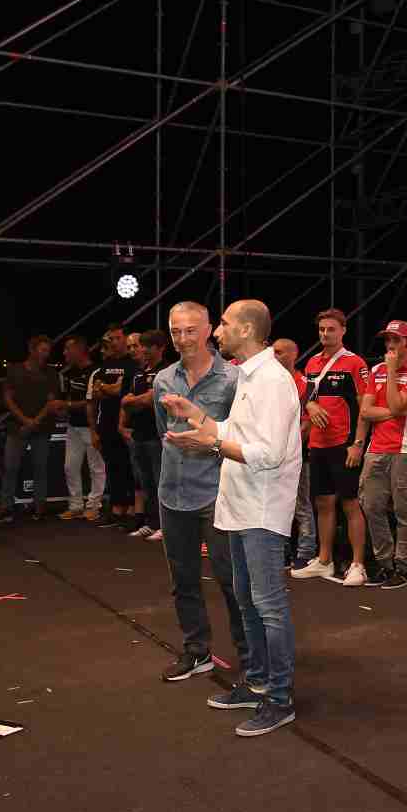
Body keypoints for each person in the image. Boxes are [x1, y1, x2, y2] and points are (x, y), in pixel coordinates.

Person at [162, 299, 303, 738]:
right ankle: (258, 682)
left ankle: (279, 698)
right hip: (240, 507)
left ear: (245, 329)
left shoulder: (272, 381)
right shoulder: (249, 376)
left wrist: (207, 444)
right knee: (248, 602)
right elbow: (233, 432)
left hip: (261, 510)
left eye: (223, 323)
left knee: (269, 607)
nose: (217, 332)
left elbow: (268, 454)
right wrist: (195, 416)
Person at [153, 301, 249, 683]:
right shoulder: (163, 379)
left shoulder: (233, 379)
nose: (183, 338)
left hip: (216, 494)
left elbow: (239, 437)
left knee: (231, 581)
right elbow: (163, 431)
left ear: (208, 330)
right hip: (172, 493)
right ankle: (197, 651)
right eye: (176, 331)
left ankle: (251, 660)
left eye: (191, 330)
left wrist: (208, 445)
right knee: (183, 581)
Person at [291, 308, 372, 585]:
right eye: (322, 329)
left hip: (344, 444)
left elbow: (365, 408)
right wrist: (311, 405)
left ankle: (358, 564)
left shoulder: (355, 363)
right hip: (318, 444)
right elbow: (308, 398)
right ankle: (324, 561)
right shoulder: (313, 362)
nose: (325, 334)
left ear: (343, 331)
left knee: (350, 503)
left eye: (331, 329)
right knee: (323, 502)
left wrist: (357, 444)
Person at [358, 320, 407, 592]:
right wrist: (397, 411)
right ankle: (385, 563)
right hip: (376, 448)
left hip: (405, 449)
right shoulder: (376, 370)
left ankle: (403, 567)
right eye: (388, 340)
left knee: (404, 510)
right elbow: (366, 411)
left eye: (396, 340)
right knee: (371, 505)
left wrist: (391, 373)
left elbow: (396, 403)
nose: (390, 345)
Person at [0, 335, 61, 521]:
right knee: (10, 467)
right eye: (43, 350)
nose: (46, 354)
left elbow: (51, 402)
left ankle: (39, 505)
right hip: (17, 427)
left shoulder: (51, 373)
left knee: (40, 467)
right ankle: (5, 505)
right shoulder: (15, 370)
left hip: (42, 426)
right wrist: (24, 420)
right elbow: (8, 398)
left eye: (48, 351)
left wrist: (33, 422)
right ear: (32, 350)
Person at [273, 338, 317, 570]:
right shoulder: (272, 383)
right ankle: (282, 551)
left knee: (301, 504)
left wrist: (286, 446)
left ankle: (306, 552)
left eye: (279, 352)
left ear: (293, 354)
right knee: (278, 504)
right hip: (273, 454)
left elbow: (307, 424)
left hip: (296, 455)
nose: (275, 356)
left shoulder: (305, 384)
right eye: (273, 352)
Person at [88, 325, 138, 529]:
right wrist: (109, 388)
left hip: (127, 423)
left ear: (124, 338)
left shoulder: (132, 364)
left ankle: (133, 510)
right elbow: (96, 392)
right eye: (112, 339)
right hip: (106, 424)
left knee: (130, 468)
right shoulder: (104, 365)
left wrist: (107, 388)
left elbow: (120, 390)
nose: (114, 342)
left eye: (118, 338)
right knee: (112, 467)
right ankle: (117, 509)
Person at [121, 330, 167, 541]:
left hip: (157, 435)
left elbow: (153, 399)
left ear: (160, 348)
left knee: (160, 482)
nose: (144, 350)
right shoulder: (139, 373)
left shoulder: (165, 371)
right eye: (143, 346)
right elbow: (126, 402)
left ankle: (165, 526)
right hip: (138, 434)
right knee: (145, 483)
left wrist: (135, 400)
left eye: (149, 346)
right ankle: (151, 522)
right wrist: (137, 400)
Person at [56, 335, 104, 521]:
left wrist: (67, 404)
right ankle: (75, 505)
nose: (64, 353)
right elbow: (69, 399)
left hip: (92, 426)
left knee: (96, 467)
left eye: (68, 349)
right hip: (73, 426)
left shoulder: (96, 371)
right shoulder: (69, 373)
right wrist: (63, 407)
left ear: (79, 350)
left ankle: (94, 506)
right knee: (70, 466)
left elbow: (92, 401)